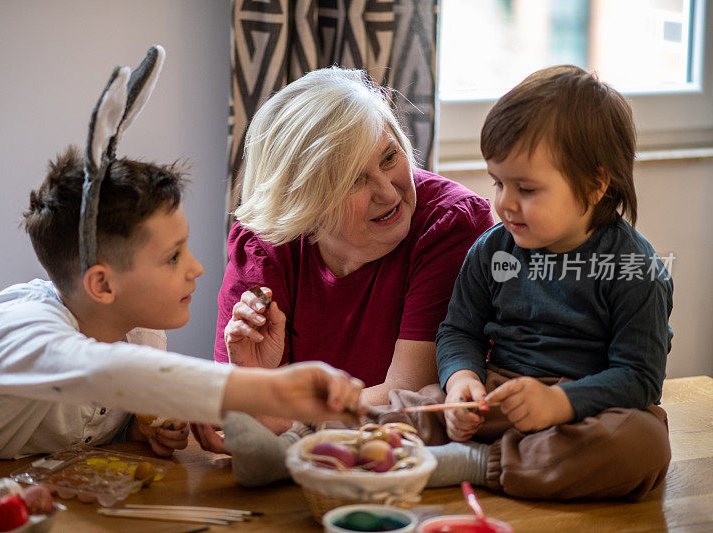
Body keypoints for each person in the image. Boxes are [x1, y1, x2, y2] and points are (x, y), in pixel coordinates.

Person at [222, 65, 673, 501]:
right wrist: (462, 380)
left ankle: (479, 465)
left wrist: (562, 403)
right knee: (409, 404)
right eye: (499, 182)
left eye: (527, 189)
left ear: (595, 186)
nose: (504, 204)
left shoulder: (636, 270)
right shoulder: (495, 248)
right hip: (492, 396)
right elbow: (459, 330)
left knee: (642, 444)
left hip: (585, 412)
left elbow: (639, 377)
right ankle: (290, 449)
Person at [0, 147, 364, 465]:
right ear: (102, 284)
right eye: (172, 257)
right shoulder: (13, 329)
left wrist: (137, 431)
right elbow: (100, 371)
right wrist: (275, 389)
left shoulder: (140, 328)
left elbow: (79, 421)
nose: (198, 269)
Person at [196, 66, 493, 452]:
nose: (388, 192)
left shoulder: (450, 225)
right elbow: (236, 416)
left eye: (389, 157)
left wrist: (277, 413)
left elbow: (406, 397)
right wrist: (255, 376)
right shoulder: (263, 246)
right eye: (354, 180)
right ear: (304, 203)